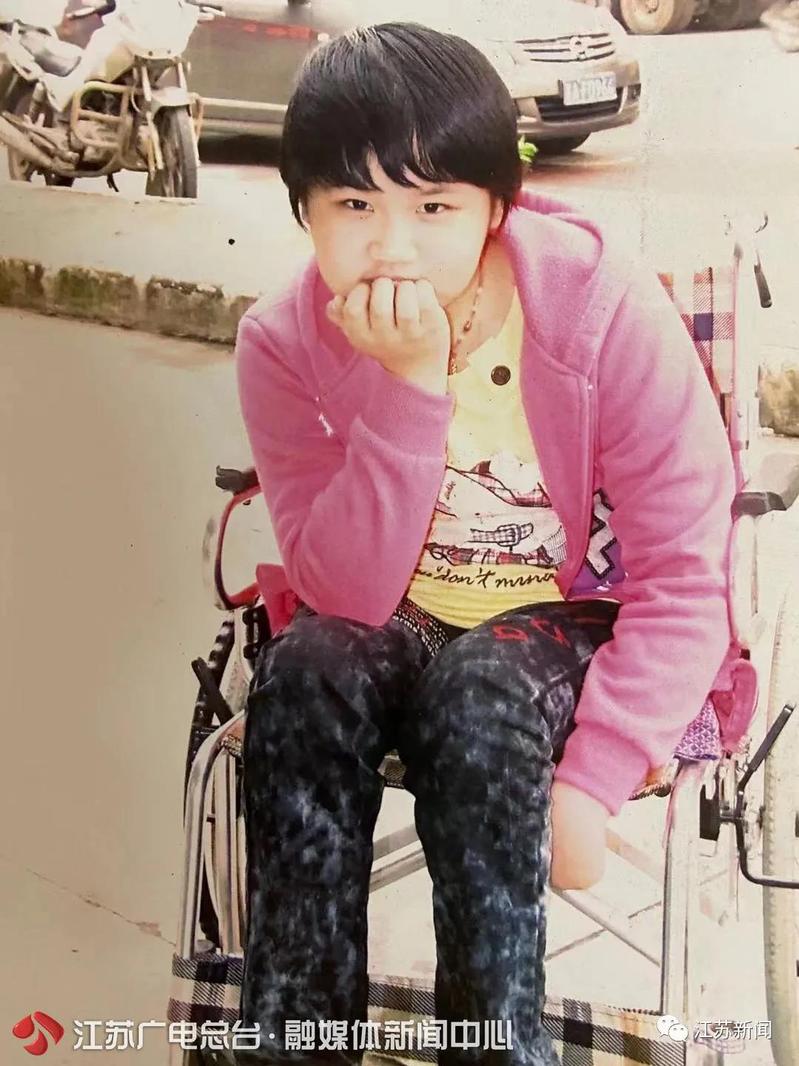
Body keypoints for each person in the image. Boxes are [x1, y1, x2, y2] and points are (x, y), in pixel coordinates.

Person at [234, 21, 735, 1066]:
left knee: (480, 689)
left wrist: (592, 778)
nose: (392, 244)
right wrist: (409, 383)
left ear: (495, 206)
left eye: (433, 206)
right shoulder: (282, 340)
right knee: (306, 667)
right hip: (393, 613)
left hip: (562, 621)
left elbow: (686, 577)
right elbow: (344, 596)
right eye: (353, 204)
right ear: (303, 211)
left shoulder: (601, 313)